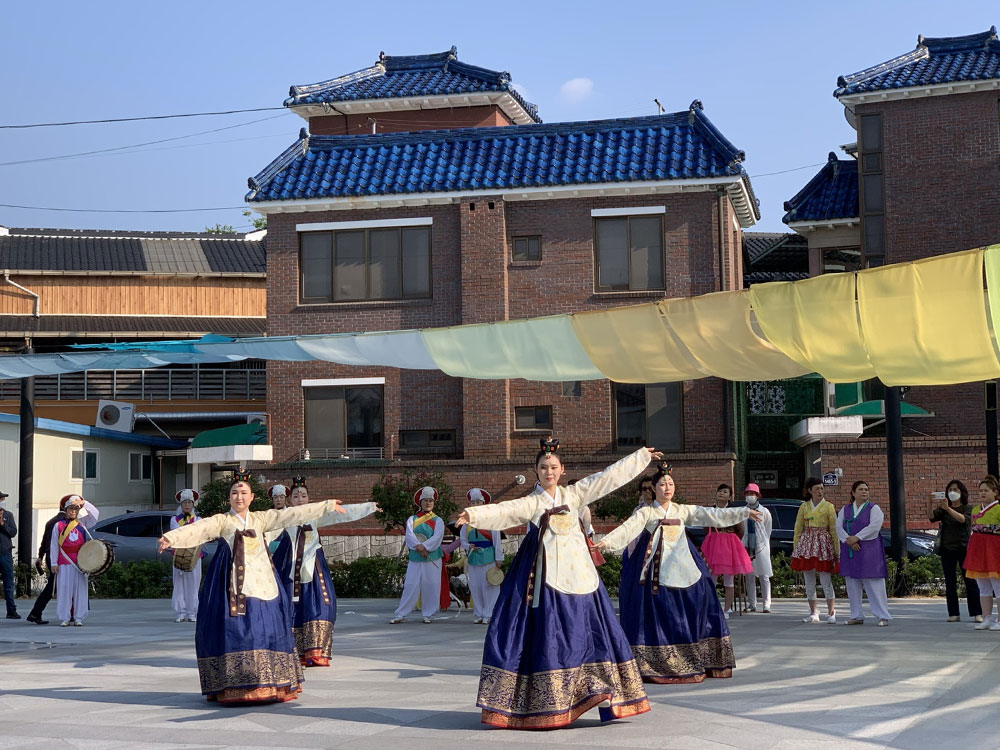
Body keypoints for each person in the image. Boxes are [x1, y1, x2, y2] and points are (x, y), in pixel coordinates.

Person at [457, 437, 660, 729]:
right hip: (545, 576)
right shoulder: (533, 502)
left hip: (580, 575)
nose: (548, 472)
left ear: (562, 469)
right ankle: (547, 699)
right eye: (543, 467)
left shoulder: (575, 494)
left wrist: (640, 458)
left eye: (553, 467)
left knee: (590, 632)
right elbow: (505, 510)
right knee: (546, 634)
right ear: (535, 470)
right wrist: (474, 514)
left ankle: (597, 688)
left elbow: (607, 478)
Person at [158, 470, 347, 704]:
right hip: (229, 586)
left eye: (243, 493)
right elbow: (199, 528)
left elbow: (292, 515)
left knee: (265, 627)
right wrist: (171, 538)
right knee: (232, 627)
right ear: (229, 498)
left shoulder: (260, 519)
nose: (239, 497)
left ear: (252, 497)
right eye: (235, 493)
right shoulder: (222, 521)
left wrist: (325, 506)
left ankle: (268, 683)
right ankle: (233, 686)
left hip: (263, 584)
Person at [599, 464, 762, 683]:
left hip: (683, 564)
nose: (667, 488)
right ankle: (656, 661)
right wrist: (604, 543)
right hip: (654, 568)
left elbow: (711, 515)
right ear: (654, 489)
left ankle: (694, 657)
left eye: (671, 484)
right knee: (654, 608)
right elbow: (627, 529)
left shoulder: (681, 510)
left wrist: (744, 512)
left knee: (701, 592)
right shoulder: (647, 512)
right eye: (662, 484)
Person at [272, 476, 376, 666]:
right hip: (290, 564)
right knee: (291, 605)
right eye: (296, 496)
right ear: (290, 500)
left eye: (303, 495)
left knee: (320, 603)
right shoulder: (285, 516)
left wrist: (370, 507)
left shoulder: (315, 514)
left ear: (309, 499)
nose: (300, 499)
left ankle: (316, 651)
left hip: (314, 565)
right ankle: (293, 650)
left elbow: (344, 513)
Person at [836, 481, 891, 626]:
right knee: (852, 583)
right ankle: (856, 615)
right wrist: (848, 540)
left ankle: (882, 615)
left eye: (866, 489)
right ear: (853, 493)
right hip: (850, 550)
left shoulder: (874, 508)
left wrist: (857, 537)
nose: (864, 492)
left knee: (874, 582)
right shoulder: (845, 509)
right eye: (860, 489)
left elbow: (874, 527)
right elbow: (838, 526)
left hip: (869, 550)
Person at [391, 486, 446, 624]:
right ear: (420, 502)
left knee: (431, 585)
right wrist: (419, 547)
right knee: (410, 584)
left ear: (434, 503)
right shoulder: (412, 519)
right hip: (416, 557)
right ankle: (401, 614)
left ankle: (428, 614)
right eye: (425, 500)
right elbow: (409, 535)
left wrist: (426, 546)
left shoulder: (438, 520)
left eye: (430, 501)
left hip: (432, 557)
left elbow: (437, 537)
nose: (428, 503)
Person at [928, 480, 981, 622]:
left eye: (955, 490)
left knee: (970, 581)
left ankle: (977, 613)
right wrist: (930, 503)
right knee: (950, 582)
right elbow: (931, 517)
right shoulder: (943, 509)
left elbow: (963, 520)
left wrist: (948, 509)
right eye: (950, 489)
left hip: (964, 548)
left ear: (962, 492)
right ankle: (953, 613)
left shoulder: (967, 508)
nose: (952, 492)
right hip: (947, 549)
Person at [700, 483, 753, 619]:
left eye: (725, 492)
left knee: (729, 579)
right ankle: (711, 606)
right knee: (712, 578)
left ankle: (727, 609)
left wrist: (729, 539)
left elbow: (740, 530)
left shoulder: (733, 511)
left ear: (730, 497)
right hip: (713, 543)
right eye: (719, 491)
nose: (721, 494)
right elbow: (706, 527)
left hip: (729, 544)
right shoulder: (710, 510)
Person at [791, 478, 839, 624]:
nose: (820, 491)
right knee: (809, 580)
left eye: (822, 488)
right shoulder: (804, 507)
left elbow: (834, 530)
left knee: (825, 580)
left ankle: (831, 612)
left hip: (823, 545)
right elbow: (798, 528)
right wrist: (796, 548)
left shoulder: (829, 507)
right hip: (807, 545)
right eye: (816, 488)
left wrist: (837, 550)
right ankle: (813, 612)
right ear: (810, 490)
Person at [50, 495, 100, 627]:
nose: (73, 511)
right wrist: (53, 563)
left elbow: (95, 514)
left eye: (76, 508)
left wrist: (84, 503)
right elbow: (54, 545)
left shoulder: (82, 523)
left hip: (80, 563)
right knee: (64, 590)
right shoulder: (58, 525)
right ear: (65, 509)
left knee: (80, 591)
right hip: (64, 562)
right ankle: (65, 617)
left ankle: (79, 617)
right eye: (71, 508)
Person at [460, 488, 503, 625]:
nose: (476, 505)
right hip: (474, 557)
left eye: (478, 502)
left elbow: (497, 541)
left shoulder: (491, 521)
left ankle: (489, 614)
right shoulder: (466, 522)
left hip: (488, 556)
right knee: (476, 586)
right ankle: (478, 613)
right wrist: (468, 546)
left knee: (489, 586)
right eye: (473, 503)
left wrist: (499, 558)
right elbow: (463, 539)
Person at [964, 475, 1000, 631]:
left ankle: (999, 619)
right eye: (980, 491)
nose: (982, 493)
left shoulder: (998, 508)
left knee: (997, 586)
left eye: (986, 490)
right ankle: (987, 617)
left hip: (994, 549)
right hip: (978, 549)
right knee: (983, 587)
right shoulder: (976, 509)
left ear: (995, 492)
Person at [26, 506, 66, 624]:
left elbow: (44, 541)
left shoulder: (51, 521)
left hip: (50, 556)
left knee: (54, 585)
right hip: (59, 556)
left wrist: (40, 556)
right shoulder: (65, 522)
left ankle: (36, 612)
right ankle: (35, 612)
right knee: (54, 586)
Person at [169, 489, 203, 623]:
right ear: (181, 504)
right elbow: (177, 534)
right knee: (179, 583)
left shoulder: (198, 519)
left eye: (190, 502)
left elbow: (198, 534)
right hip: (179, 554)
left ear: (193, 504)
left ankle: (192, 611)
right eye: (185, 502)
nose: (187, 505)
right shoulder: (174, 520)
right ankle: (181, 612)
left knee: (193, 583)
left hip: (194, 555)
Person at [739, 484, 773, 613]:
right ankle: (752, 603)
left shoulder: (764, 511)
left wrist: (763, 542)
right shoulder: (742, 511)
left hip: (761, 545)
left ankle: (766, 603)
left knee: (764, 575)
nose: (750, 497)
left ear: (757, 496)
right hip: (746, 545)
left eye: (752, 494)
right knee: (749, 575)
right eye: (748, 494)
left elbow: (768, 529)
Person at [0, 491, 18, 620]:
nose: (2, 501)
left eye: (3, 499)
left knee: (8, 584)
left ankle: (11, 610)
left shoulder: (8, 515)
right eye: (1, 499)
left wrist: (3, 524)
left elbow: (13, 532)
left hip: (5, 553)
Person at [265, 484, 288, 554]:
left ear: (285, 498)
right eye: (276, 497)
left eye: (281, 497)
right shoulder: (267, 515)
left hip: (286, 549)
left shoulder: (290, 514)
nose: (279, 500)